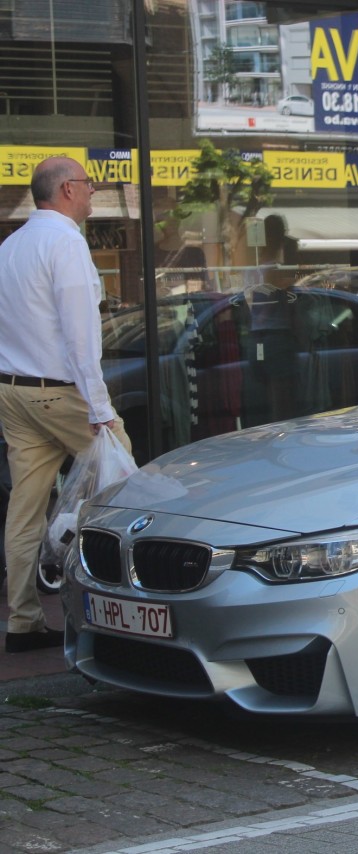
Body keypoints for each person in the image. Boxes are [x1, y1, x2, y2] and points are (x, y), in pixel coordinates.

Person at [0, 156, 130, 653]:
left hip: (14, 392)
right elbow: (81, 340)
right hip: (62, 394)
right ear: (67, 190)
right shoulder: (65, 244)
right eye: (89, 184)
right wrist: (101, 411)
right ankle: (128, 607)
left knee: (24, 509)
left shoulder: (12, 246)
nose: (94, 193)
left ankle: (23, 622)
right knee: (127, 486)